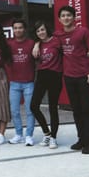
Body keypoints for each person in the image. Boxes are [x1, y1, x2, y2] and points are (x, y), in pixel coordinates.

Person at [55, 5, 89, 154]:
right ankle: (81, 139)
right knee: (77, 111)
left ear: (74, 17)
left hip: (85, 77)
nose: (66, 18)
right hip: (69, 77)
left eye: (69, 15)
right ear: (59, 19)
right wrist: (36, 44)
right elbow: (44, 38)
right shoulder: (58, 35)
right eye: (63, 16)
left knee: (87, 110)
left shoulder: (83, 31)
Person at [30, 21, 63, 149]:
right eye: (38, 31)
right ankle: (47, 133)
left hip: (55, 75)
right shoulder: (37, 44)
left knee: (52, 107)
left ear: (47, 29)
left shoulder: (56, 40)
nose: (41, 33)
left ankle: (54, 137)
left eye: (42, 30)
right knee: (33, 106)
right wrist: (37, 44)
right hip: (42, 75)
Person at [6, 19, 36, 146]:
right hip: (14, 83)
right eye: (15, 28)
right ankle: (19, 134)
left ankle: (29, 135)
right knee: (14, 111)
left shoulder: (32, 43)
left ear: (24, 29)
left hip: (29, 82)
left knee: (30, 111)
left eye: (20, 28)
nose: (18, 30)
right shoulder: (8, 43)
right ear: (13, 30)